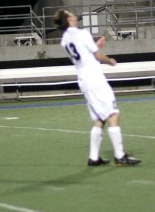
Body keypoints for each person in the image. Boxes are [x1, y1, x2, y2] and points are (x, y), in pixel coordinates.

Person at [53, 9, 140, 166]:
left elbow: (84, 51)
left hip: (84, 80)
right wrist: (110, 61)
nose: (74, 15)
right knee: (113, 113)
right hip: (95, 78)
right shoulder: (82, 33)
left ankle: (93, 157)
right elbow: (97, 56)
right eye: (71, 14)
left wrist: (95, 46)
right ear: (69, 20)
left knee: (100, 118)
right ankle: (120, 156)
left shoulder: (65, 39)